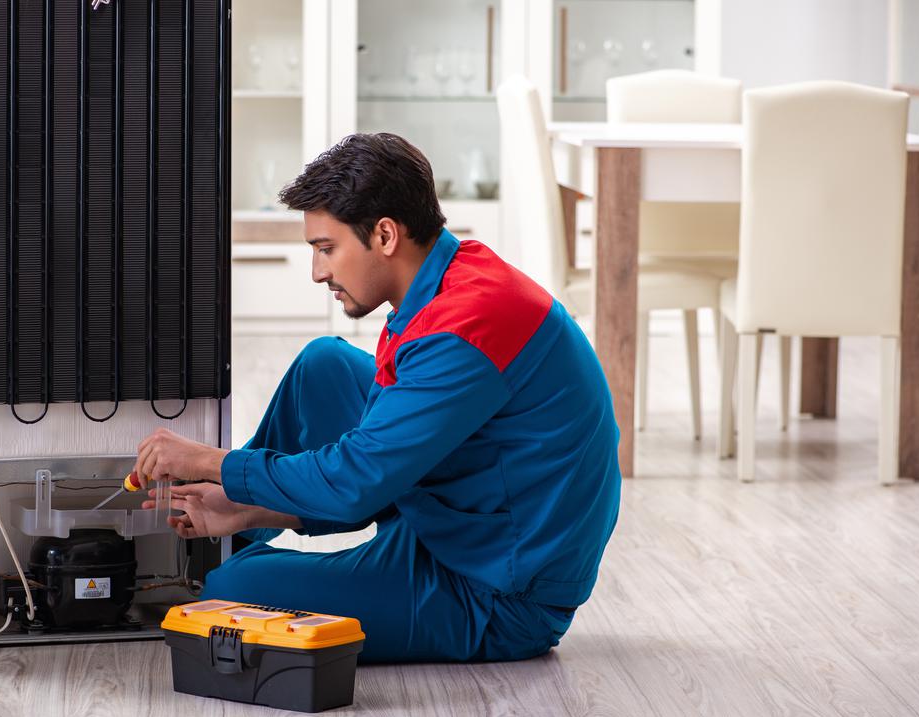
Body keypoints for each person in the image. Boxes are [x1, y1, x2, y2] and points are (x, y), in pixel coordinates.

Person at [136, 133, 620, 663]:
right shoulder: (449, 279)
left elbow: (355, 482)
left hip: (495, 591)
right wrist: (249, 506)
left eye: (327, 249)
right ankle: (225, 532)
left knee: (232, 592)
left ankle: (223, 565)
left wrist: (211, 462)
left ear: (385, 234)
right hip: (462, 515)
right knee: (325, 366)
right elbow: (368, 472)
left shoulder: (465, 327)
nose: (318, 272)